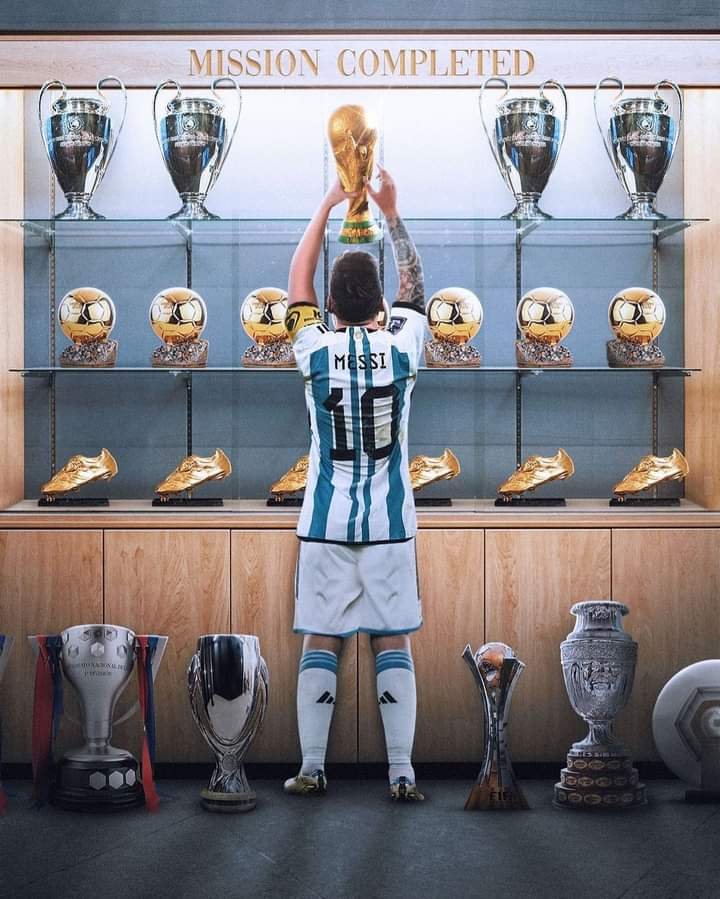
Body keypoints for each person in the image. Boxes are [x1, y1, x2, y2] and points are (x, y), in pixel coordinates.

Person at [282, 166, 427, 802]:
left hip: (325, 520)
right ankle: (401, 771)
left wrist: (327, 204)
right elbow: (415, 288)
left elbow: (296, 285)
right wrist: (390, 213)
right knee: (391, 638)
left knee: (323, 636)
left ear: (332, 307)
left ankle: (312, 767)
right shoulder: (405, 344)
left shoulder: (314, 349)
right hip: (391, 525)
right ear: (380, 306)